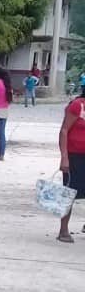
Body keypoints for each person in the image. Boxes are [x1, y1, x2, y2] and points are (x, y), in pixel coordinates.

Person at [58, 86, 85, 243]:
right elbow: (64, 131)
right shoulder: (77, 105)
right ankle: (63, 230)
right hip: (74, 156)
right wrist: (64, 157)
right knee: (69, 194)